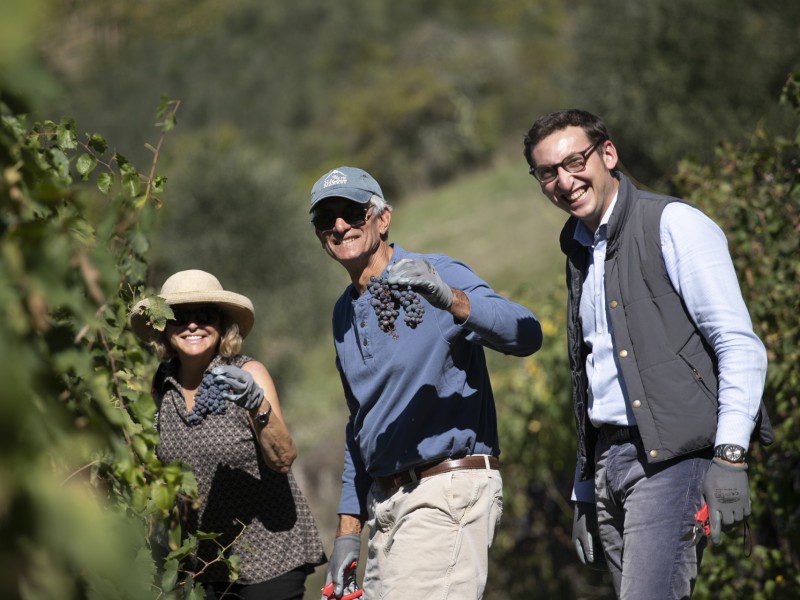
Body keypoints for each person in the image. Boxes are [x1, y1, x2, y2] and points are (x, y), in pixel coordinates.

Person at [522, 109, 773, 598]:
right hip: (606, 467)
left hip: (673, 461)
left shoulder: (674, 223)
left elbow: (737, 343)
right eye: (547, 172)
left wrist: (730, 457)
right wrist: (583, 490)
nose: (564, 181)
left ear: (608, 154)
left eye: (575, 161)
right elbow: (590, 376)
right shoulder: (577, 250)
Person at [308, 166, 543, 599]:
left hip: (445, 491)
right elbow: (360, 424)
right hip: (386, 507)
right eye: (327, 219)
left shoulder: (434, 273)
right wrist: (347, 529)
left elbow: (527, 334)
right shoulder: (343, 314)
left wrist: (449, 298)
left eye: (352, 212)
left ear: (382, 219)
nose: (340, 225)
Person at [130, 269, 326, 600]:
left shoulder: (247, 375)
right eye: (179, 317)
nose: (192, 325)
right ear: (164, 328)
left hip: (270, 558)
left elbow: (283, 458)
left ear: (221, 325)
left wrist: (256, 405)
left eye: (204, 315)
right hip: (205, 566)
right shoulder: (160, 386)